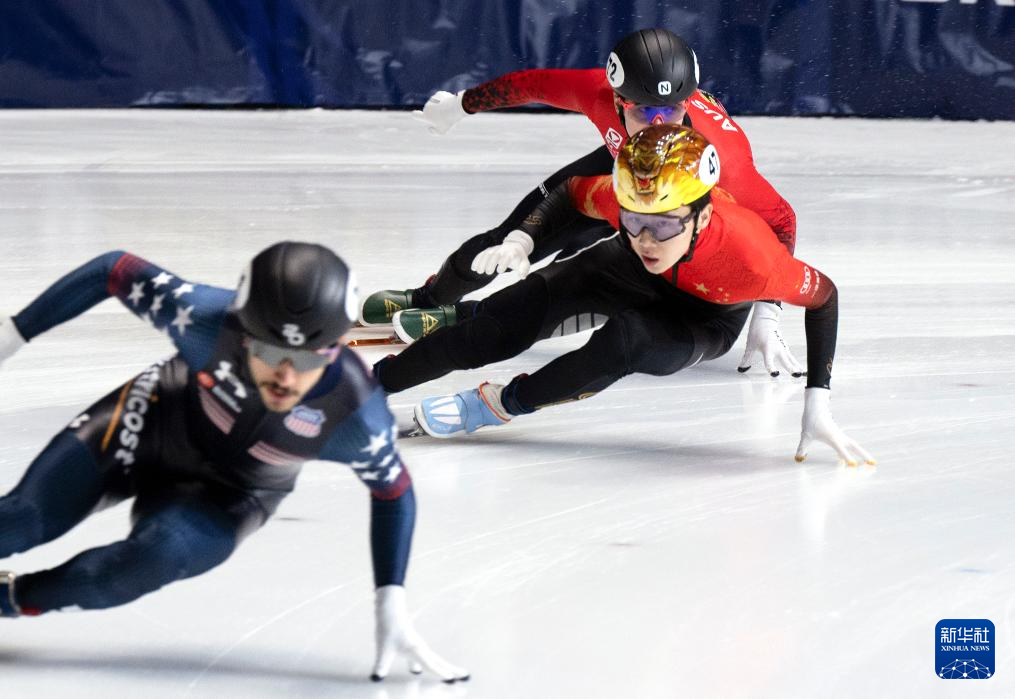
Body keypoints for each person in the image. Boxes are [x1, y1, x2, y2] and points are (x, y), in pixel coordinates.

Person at [0, 242, 468, 683]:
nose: (286, 377)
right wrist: (13, 332)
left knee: (142, 564)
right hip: (152, 423)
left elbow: (394, 493)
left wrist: (391, 598)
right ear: (244, 336)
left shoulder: (354, 413)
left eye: (309, 359)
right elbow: (112, 268)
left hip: (230, 494)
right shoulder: (205, 319)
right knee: (22, 520)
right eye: (269, 351)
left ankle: (9, 598)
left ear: (335, 348)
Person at [375, 124, 875, 466]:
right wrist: (524, 237)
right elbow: (570, 191)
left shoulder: (751, 259)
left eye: (664, 224)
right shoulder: (629, 209)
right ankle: (374, 385)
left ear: (702, 215)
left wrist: (817, 399)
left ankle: (497, 404)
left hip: (704, 314)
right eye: (634, 220)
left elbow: (825, 297)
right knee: (509, 318)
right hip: (626, 272)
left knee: (625, 341)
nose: (647, 239)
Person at [361, 27, 801, 378]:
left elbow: (781, 220)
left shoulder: (724, 159)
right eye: (643, 112)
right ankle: (428, 296)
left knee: (579, 276)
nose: (659, 125)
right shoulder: (595, 93)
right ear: (616, 100)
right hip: (617, 169)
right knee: (511, 237)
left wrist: (768, 310)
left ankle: (468, 317)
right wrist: (462, 105)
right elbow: (532, 84)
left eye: (671, 110)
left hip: (673, 195)